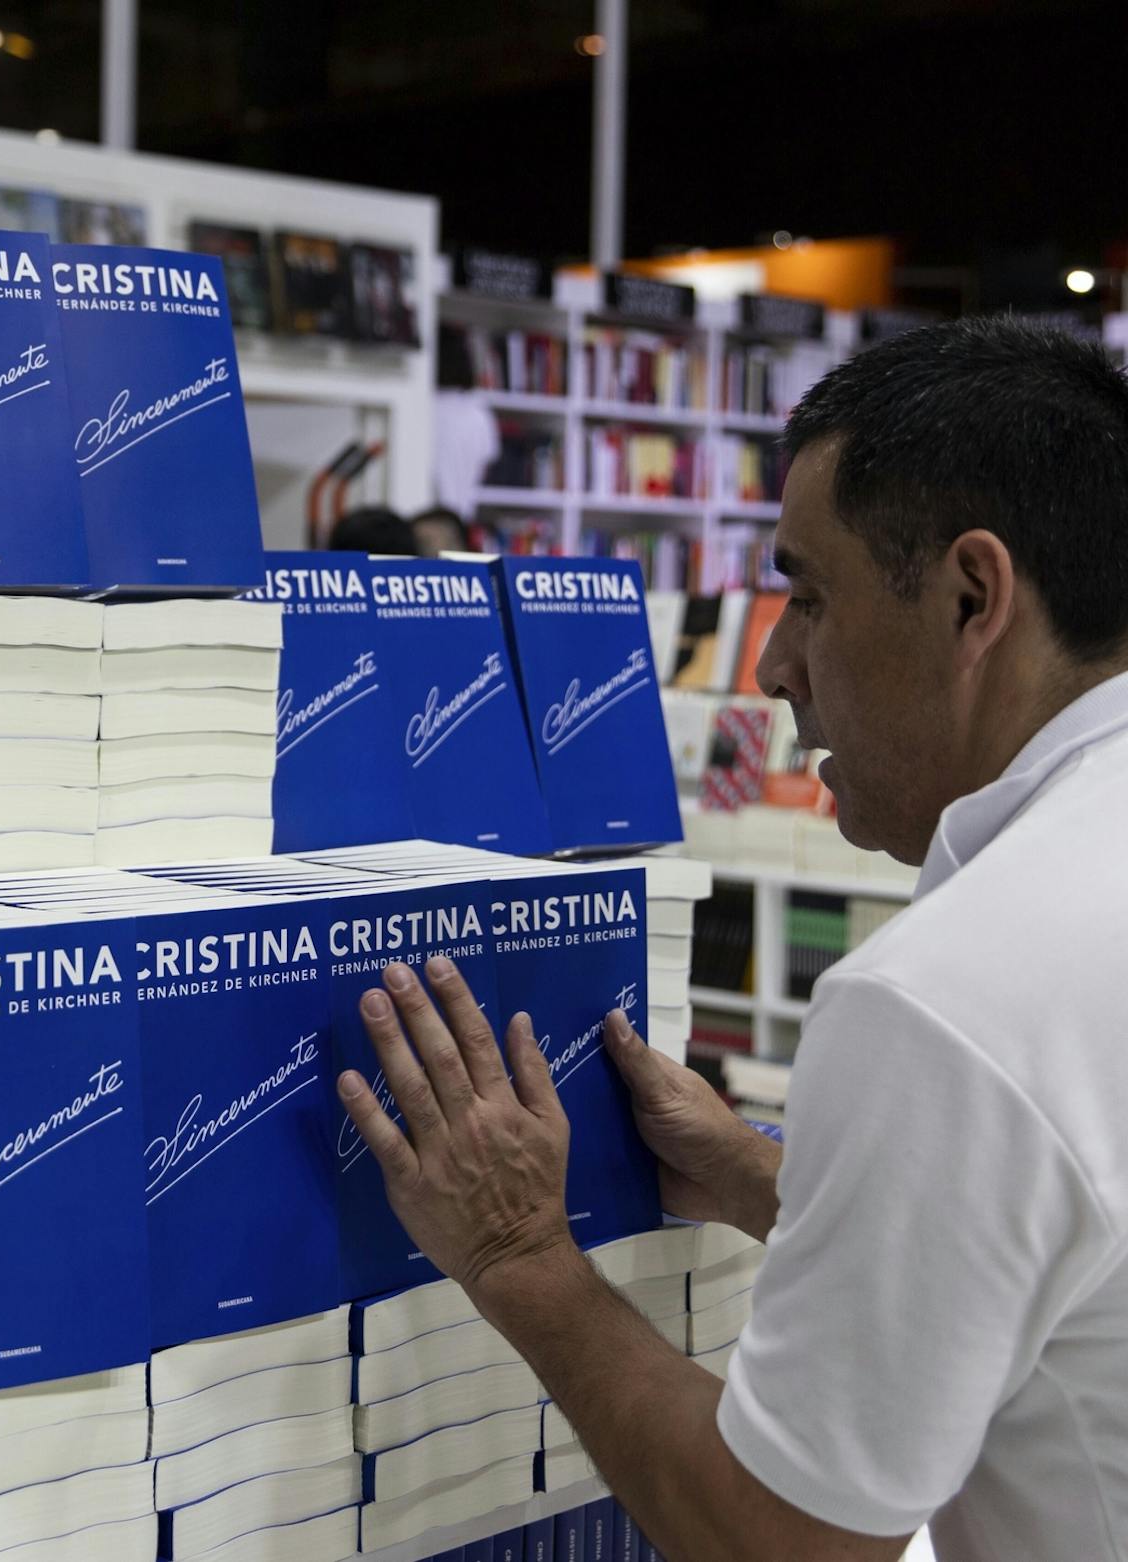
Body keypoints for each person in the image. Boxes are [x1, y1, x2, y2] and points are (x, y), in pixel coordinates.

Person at [338, 317, 1128, 1562]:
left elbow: (787, 1539)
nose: (770, 665)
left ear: (975, 596)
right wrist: (777, 1180)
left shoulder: (948, 997)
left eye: (808, 595)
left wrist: (517, 1250)